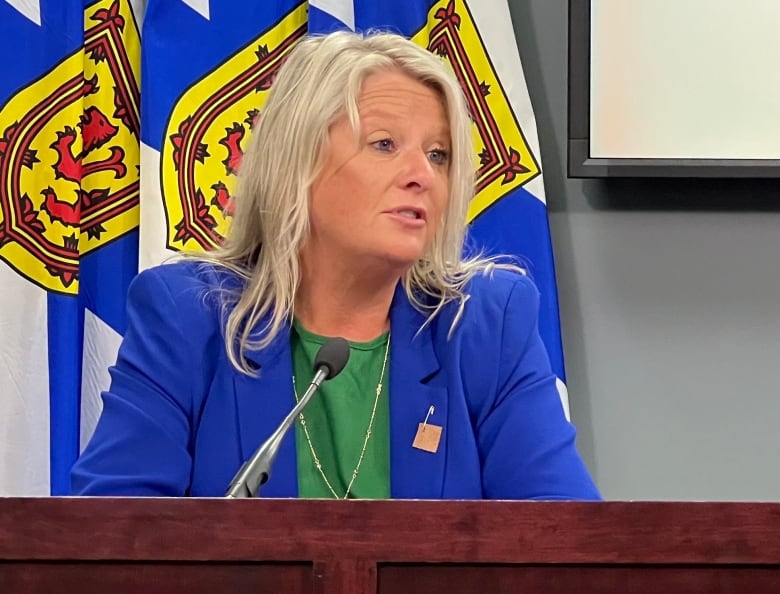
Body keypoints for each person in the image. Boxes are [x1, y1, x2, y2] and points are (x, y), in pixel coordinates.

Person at [71, 30, 600, 500]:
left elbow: (565, 545)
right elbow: (112, 538)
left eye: (438, 154)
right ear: (296, 165)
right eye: (385, 144)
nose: (422, 174)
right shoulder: (189, 318)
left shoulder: (484, 326)